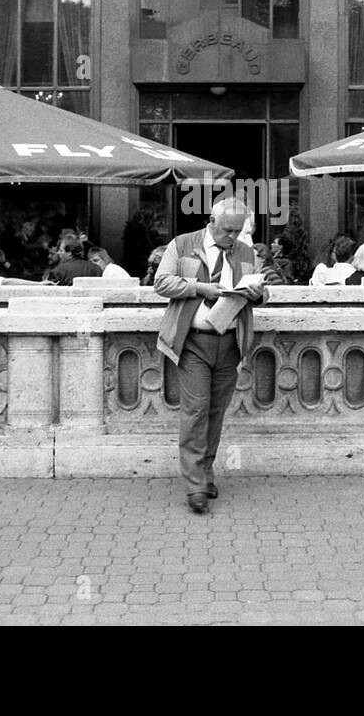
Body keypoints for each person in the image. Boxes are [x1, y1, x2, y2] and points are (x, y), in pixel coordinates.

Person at [153, 198, 268, 515]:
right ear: (211, 222)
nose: (232, 237)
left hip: (230, 342)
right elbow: (160, 283)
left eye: (237, 230)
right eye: (227, 230)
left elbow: (259, 287)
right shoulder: (182, 244)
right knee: (195, 410)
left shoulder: (245, 251)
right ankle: (195, 487)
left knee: (216, 411)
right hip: (192, 342)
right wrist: (200, 288)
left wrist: (259, 293)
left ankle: (205, 473)